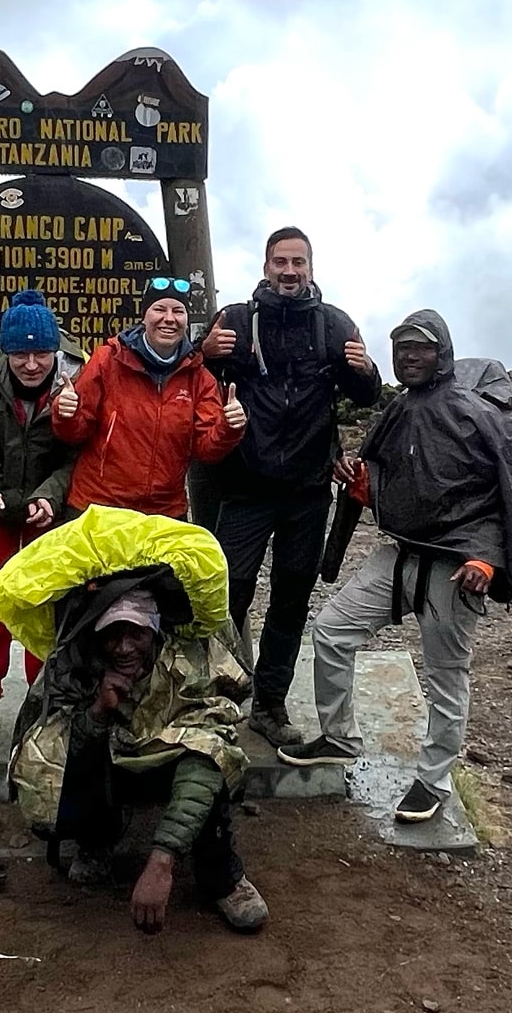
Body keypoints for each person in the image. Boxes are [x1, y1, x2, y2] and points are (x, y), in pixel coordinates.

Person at [278, 310, 512, 822]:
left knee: (446, 675)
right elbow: (394, 471)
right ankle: (338, 737)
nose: (410, 356)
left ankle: (434, 780)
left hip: (456, 567)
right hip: (399, 553)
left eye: (421, 348)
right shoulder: (402, 409)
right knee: (332, 629)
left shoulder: (478, 415)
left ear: (441, 353)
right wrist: (363, 480)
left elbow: (511, 495)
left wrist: (487, 558)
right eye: (402, 347)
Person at [0, 505, 268, 935]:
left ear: (155, 629)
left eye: (134, 632)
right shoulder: (73, 665)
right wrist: (98, 714)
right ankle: (98, 840)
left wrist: (161, 861)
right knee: (64, 761)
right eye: (111, 634)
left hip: (170, 762)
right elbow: (40, 754)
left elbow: (212, 747)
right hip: (113, 765)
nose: (122, 647)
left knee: (209, 761)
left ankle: (220, 874)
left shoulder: (192, 659)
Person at [198, 227, 382, 747]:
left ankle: (271, 703)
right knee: (229, 590)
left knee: (291, 596)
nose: (289, 271)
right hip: (245, 485)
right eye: (281, 261)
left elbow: (365, 395)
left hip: (306, 490)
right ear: (265, 266)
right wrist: (204, 349)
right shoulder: (235, 321)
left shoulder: (333, 325)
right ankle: (224, 693)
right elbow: (191, 375)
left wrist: (367, 371)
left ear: (311, 268)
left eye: (298, 262)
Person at [0, 289, 86, 745]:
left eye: (40, 352)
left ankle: (41, 697)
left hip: (48, 509)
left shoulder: (72, 389)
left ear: (54, 350)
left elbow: (76, 457)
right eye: (20, 353)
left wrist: (50, 497)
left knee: (44, 603)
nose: (30, 364)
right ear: (5, 351)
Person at [53, 276, 247, 518]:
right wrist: (65, 412)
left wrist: (229, 427)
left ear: (186, 320)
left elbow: (206, 449)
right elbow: (74, 434)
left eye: (178, 311)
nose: (169, 318)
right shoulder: (107, 360)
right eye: (159, 309)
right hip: (98, 508)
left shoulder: (199, 377)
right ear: (144, 316)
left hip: (163, 514)